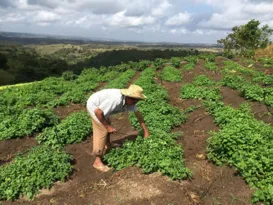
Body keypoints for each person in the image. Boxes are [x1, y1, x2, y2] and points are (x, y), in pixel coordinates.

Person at [86, 84, 149, 172]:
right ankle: (97, 161)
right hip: (94, 106)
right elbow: (98, 112)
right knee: (102, 130)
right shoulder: (115, 100)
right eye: (135, 100)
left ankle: (107, 145)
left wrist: (146, 131)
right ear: (129, 97)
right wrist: (108, 127)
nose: (136, 103)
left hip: (101, 108)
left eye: (138, 101)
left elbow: (138, 115)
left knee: (107, 123)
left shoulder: (131, 101)